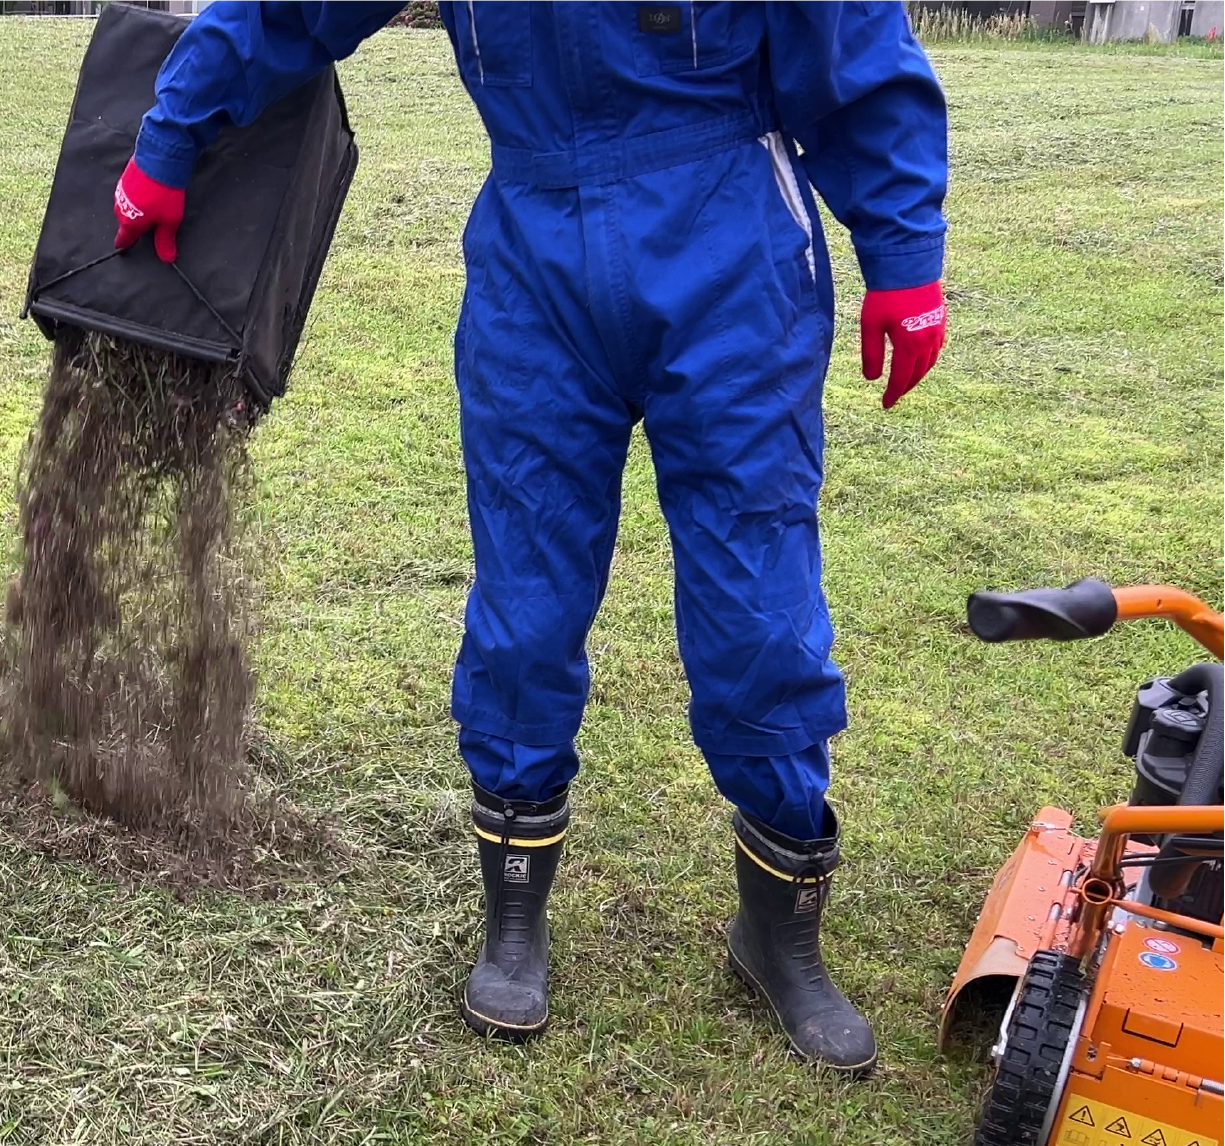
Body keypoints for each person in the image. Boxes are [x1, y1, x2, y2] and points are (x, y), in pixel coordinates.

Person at [110, 2, 949, 1074]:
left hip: (731, 251)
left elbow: (853, 43)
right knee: (525, 601)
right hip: (533, 254)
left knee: (759, 611)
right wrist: (171, 134)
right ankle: (514, 917)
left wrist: (904, 252)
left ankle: (778, 933)